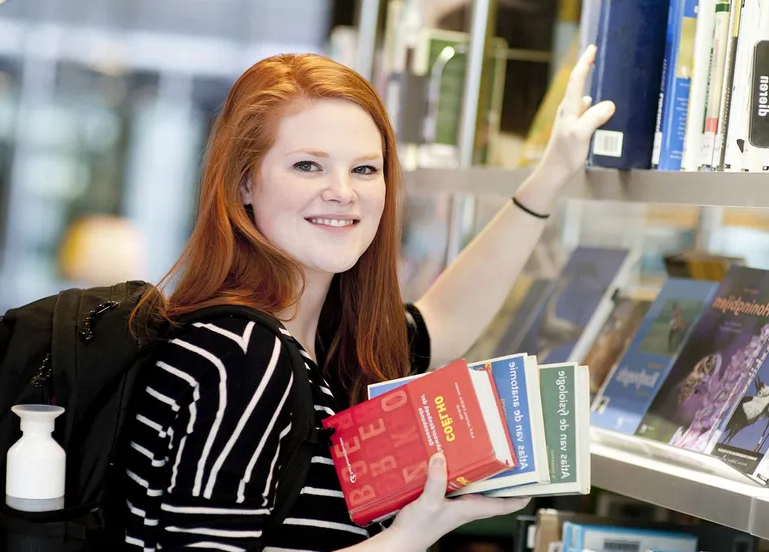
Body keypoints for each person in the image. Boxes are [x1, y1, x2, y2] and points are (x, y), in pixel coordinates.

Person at [121, 45, 615, 552]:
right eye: (308, 166)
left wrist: (551, 174)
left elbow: (442, 321)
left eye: (364, 170)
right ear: (244, 181)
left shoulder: (325, 338)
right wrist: (411, 536)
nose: (342, 192)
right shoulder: (244, 356)